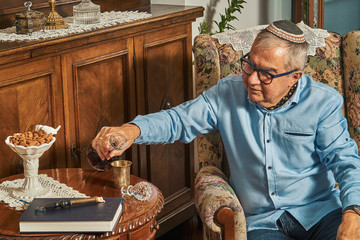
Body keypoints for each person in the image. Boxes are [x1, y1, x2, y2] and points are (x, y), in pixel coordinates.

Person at [92, 20, 360, 240]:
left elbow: (346, 161)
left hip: (320, 214)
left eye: (266, 74)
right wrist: (131, 130)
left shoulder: (323, 102)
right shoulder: (227, 93)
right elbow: (178, 120)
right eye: (249, 65)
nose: (252, 79)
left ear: (294, 77)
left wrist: (353, 213)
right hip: (262, 223)